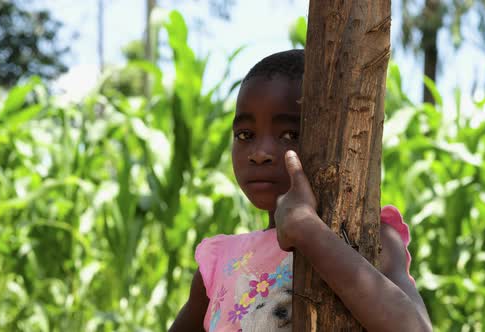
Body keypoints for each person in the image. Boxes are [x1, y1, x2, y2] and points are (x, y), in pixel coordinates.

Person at [169, 49, 432, 332]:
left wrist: (307, 230)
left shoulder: (370, 236)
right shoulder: (220, 261)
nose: (259, 153)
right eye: (245, 135)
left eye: (289, 135)